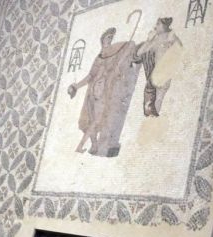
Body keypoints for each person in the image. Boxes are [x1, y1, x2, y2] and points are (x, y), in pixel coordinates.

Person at [68, 27, 140, 157]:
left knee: (96, 120)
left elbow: (129, 45)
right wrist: (77, 86)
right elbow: (90, 76)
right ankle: (94, 145)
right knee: (92, 120)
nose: (110, 40)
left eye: (111, 38)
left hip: (104, 91)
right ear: (102, 40)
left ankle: (80, 146)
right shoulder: (99, 58)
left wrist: (128, 46)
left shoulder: (114, 54)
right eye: (108, 38)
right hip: (93, 91)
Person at [133, 17, 183, 117]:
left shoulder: (171, 37)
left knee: (157, 99)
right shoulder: (156, 38)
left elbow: (180, 50)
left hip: (163, 74)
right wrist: (148, 40)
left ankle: (152, 120)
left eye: (158, 24)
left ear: (164, 25)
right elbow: (139, 53)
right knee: (152, 100)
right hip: (154, 76)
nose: (155, 27)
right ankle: (151, 118)